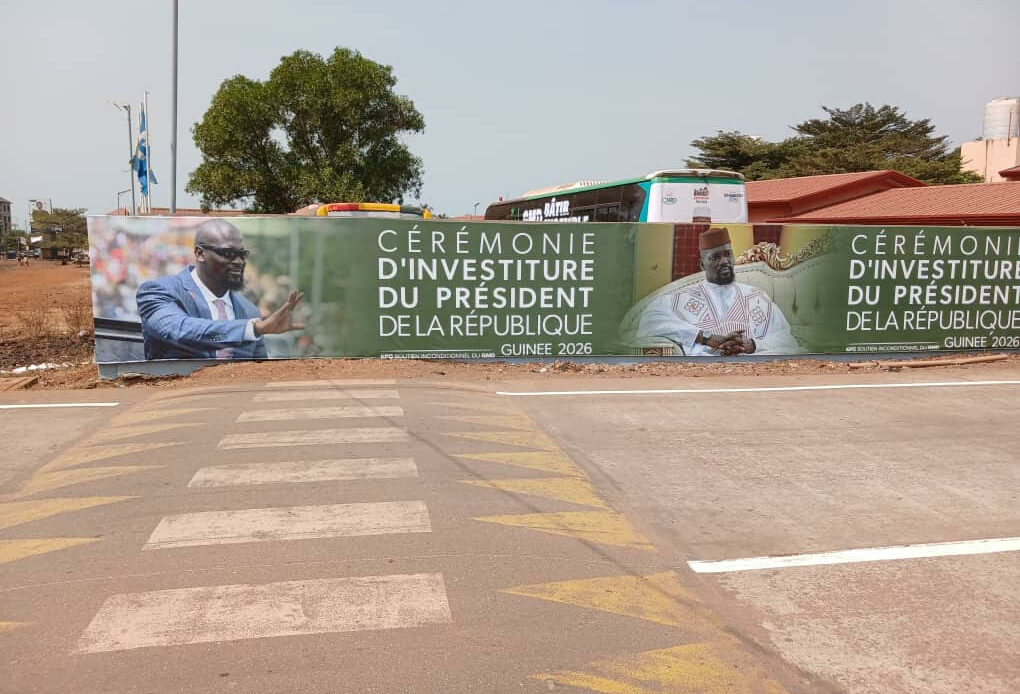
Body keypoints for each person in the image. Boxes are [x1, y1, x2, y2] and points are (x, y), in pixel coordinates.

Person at [136, 218, 304, 360]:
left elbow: (259, 372)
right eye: (228, 254)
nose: (239, 262)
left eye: (242, 254)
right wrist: (253, 329)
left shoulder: (249, 311)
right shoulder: (159, 291)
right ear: (200, 253)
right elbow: (178, 329)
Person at [634, 227, 800, 355]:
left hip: (753, 371)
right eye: (715, 257)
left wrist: (752, 345)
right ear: (702, 265)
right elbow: (650, 321)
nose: (724, 261)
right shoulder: (683, 298)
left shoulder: (756, 297)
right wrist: (706, 338)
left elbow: (787, 339)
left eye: (728, 255)